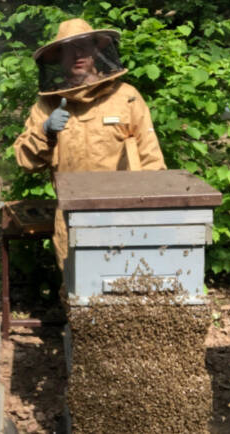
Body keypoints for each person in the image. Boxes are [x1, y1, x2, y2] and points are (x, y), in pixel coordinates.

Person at [14, 18, 167, 270]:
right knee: (77, 294)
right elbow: (25, 162)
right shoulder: (47, 106)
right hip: (70, 215)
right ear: (58, 58)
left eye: (83, 46)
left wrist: (151, 214)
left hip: (125, 212)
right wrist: (45, 131)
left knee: (128, 285)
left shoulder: (126, 97)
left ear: (96, 52)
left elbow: (152, 161)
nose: (77, 54)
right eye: (68, 49)